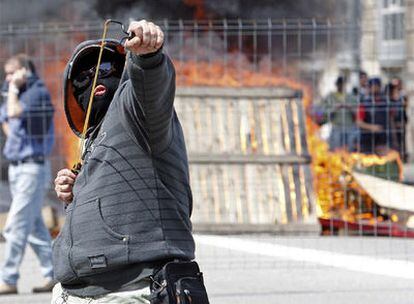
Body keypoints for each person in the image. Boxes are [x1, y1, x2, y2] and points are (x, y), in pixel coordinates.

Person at [52, 20, 208, 303]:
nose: (93, 78)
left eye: (104, 69)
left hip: (131, 291)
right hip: (78, 292)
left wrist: (148, 56)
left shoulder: (134, 109)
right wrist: (79, 193)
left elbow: (151, 85)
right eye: (82, 79)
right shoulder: (95, 136)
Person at [0, 54, 55, 294]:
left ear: (24, 71)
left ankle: (8, 279)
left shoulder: (36, 93)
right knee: (34, 227)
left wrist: (13, 88)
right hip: (18, 168)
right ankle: (56, 274)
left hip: (32, 168)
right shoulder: (18, 93)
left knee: (15, 226)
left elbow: (12, 113)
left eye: (12, 73)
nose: (8, 78)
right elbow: (6, 118)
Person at [322, 76, 358, 151]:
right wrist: (335, 108)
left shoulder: (351, 97)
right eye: (339, 84)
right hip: (336, 126)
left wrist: (349, 107)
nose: (341, 86)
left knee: (350, 148)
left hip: (349, 126)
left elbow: (357, 112)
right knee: (336, 148)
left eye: (343, 84)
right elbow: (325, 112)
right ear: (336, 85)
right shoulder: (330, 97)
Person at [357, 77, 389, 154]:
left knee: (382, 163)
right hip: (367, 140)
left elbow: (390, 120)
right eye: (372, 86)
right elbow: (359, 122)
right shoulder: (364, 103)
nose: (375, 88)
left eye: (377, 86)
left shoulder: (385, 103)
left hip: (381, 140)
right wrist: (372, 127)